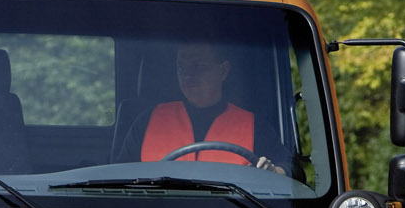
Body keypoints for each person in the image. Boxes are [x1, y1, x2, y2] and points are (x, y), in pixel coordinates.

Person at [123, 41, 289, 174]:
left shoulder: (254, 125)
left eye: (197, 66)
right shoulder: (148, 121)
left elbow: (290, 170)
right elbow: (120, 173)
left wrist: (273, 171)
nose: (187, 75)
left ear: (223, 71)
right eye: (181, 67)